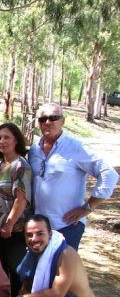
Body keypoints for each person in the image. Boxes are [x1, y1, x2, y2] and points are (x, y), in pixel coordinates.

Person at [27, 103, 118, 249]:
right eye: (43, 119)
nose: (48, 122)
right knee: (36, 271)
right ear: (38, 123)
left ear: (63, 121)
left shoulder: (76, 148)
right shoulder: (34, 149)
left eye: (54, 118)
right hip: (38, 228)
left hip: (66, 226)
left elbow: (109, 173)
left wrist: (88, 207)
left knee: (63, 271)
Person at [0, 123, 33, 297]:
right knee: (0, 268)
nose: (2, 141)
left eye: (6, 137)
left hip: (13, 229)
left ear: (16, 140)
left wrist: (9, 224)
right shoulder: (1, 163)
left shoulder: (20, 166)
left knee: (16, 270)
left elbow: (21, 199)